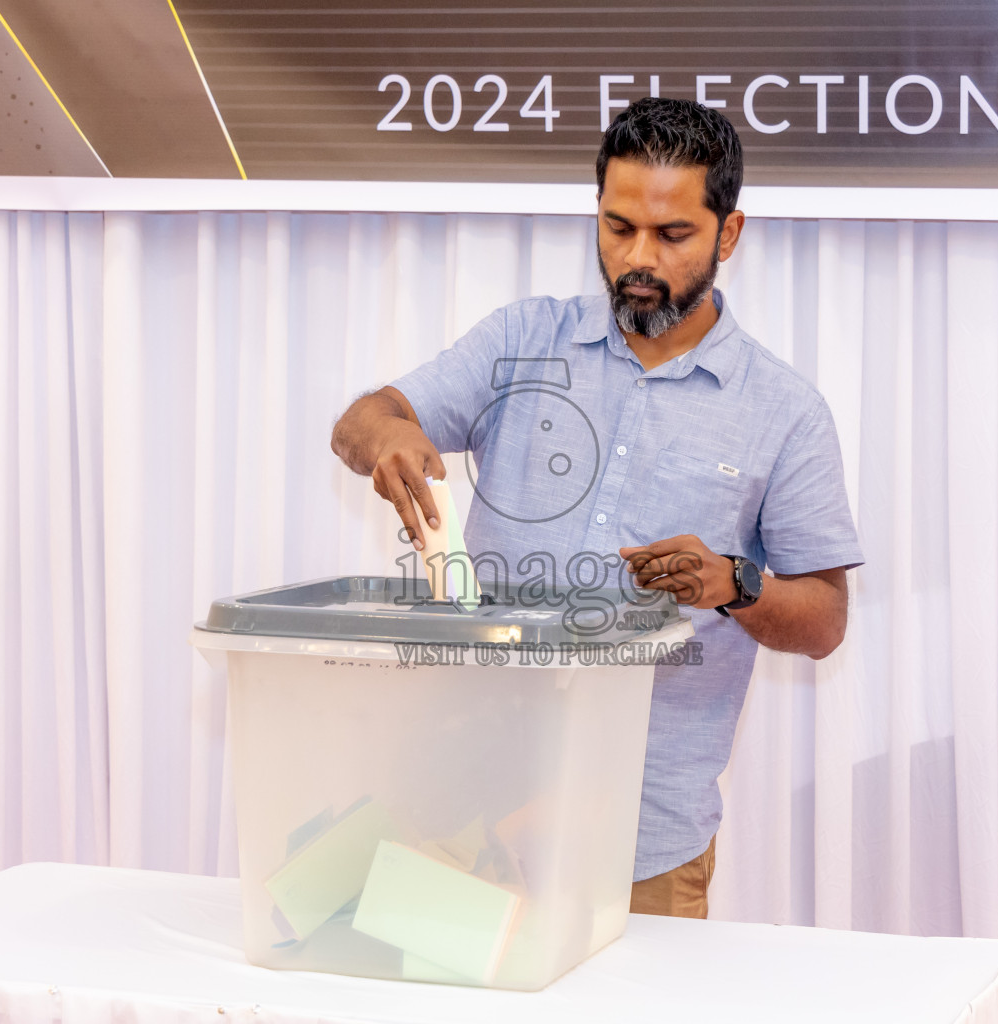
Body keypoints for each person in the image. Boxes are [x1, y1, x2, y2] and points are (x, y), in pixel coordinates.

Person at [330, 97, 862, 919]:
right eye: (617, 228)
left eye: (672, 234)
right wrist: (389, 437)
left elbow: (825, 620)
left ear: (729, 234)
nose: (637, 258)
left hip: (643, 840)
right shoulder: (522, 340)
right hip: (459, 811)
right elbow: (363, 419)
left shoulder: (786, 411)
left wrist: (734, 584)